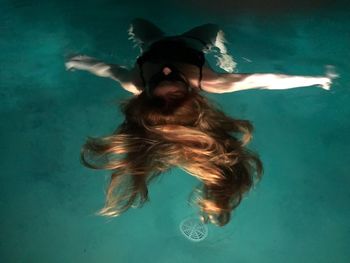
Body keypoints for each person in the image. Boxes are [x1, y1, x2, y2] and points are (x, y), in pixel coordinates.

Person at [65, 18, 334, 226]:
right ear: (191, 93)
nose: (167, 70)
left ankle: (150, 40)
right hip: (194, 41)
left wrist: (78, 61)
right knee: (214, 27)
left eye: (160, 79)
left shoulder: (135, 83)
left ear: (146, 93)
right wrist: (315, 79)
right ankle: (223, 50)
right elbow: (262, 80)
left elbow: (107, 69)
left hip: (153, 44)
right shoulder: (210, 81)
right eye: (174, 83)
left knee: (138, 23)